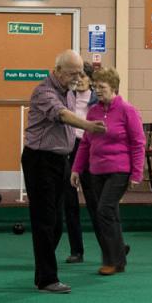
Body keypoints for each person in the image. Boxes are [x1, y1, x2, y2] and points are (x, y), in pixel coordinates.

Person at [22, 50, 106, 293]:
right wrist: (88, 126)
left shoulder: (68, 90)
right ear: (57, 71)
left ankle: (42, 272)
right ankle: (47, 279)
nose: (78, 78)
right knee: (45, 221)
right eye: (72, 73)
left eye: (80, 73)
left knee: (57, 223)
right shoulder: (44, 92)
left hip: (61, 160)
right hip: (40, 161)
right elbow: (62, 115)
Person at [71, 67, 145, 276]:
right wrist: (76, 169)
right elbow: (85, 143)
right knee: (109, 213)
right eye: (96, 87)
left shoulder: (127, 110)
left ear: (114, 88)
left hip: (119, 170)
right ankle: (119, 257)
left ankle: (111, 260)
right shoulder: (93, 111)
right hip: (96, 170)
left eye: (102, 87)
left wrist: (137, 173)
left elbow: (138, 143)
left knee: (104, 210)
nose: (97, 90)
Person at [63, 62, 97, 264]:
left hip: (90, 149)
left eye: (83, 76)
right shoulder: (67, 97)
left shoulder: (98, 99)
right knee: (70, 202)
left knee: (95, 201)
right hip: (69, 148)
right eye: (76, 76)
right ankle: (76, 250)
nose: (79, 80)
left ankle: (110, 246)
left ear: (91, 80)